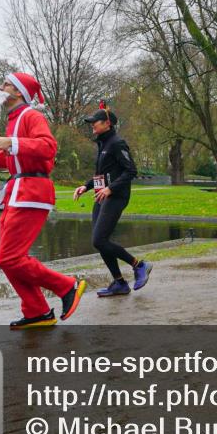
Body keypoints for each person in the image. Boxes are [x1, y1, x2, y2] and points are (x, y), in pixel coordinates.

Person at [0, 72, 86, 328]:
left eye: (6, 84)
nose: (0, 87)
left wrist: (11, 142)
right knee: (8, 258)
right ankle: (37, 310)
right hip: (18, 191)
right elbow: (17, 158)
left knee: (9, 258)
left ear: (18, 92)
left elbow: (48, 147)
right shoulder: (13, 119)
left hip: (31, 193)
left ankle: (67, 286)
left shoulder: (31, 116)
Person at [73, 103, 150, 297]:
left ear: (107, 123)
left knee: (99, 239)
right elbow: (102, 174)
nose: (92, 125)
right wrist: (86, 186)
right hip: (102, 195)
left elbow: (131, 171)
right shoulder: (102, 144)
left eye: (95, 122)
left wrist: (110, 188)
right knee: (100, 241)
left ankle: (139, 265)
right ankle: (119, 283)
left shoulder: (117, 143)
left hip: (116, 196)